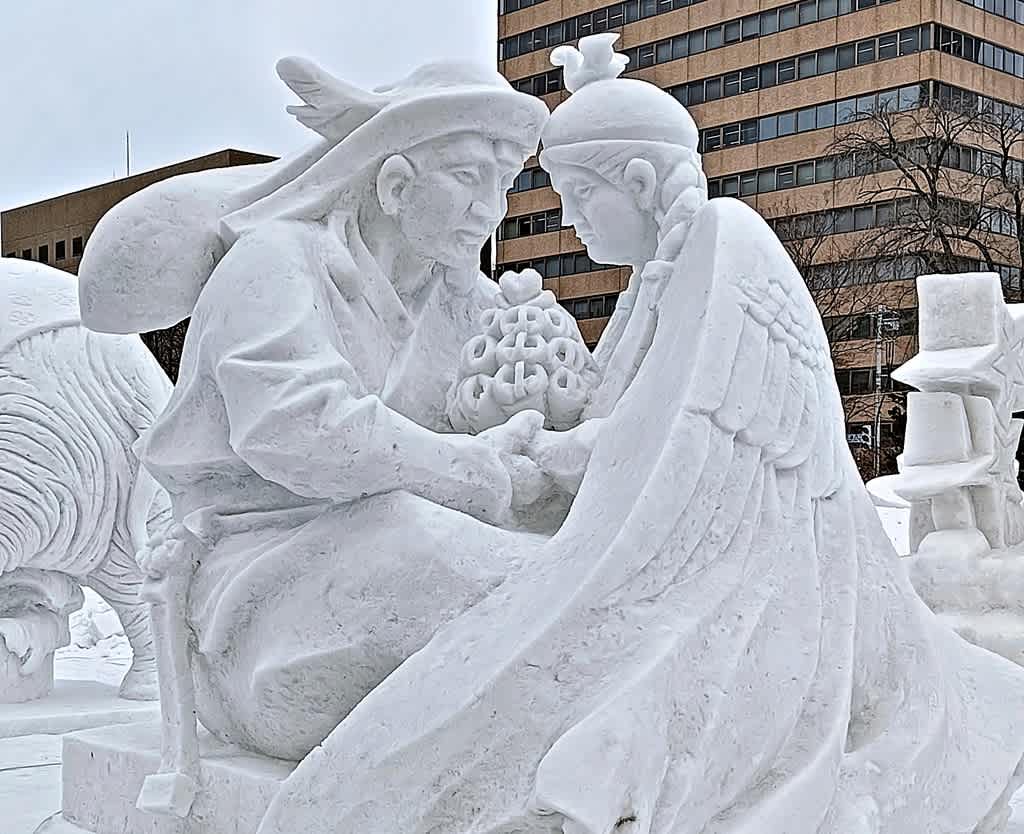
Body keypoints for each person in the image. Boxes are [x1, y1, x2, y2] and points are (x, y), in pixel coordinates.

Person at [256, 37, 1024, 834]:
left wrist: (553, 459)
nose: (569, 220)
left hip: (762, 555)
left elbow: (677, 447)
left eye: (578, 198)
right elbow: (635, 429)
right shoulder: (651, 287)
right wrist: (544, 447)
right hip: (682, 527)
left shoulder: (725, 247)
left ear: (636, 181)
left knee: (568, 652)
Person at [83, 56, 551, 761]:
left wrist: (539, 413)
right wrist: (476, 469)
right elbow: (298, 426)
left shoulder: (462, 299)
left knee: (554, 568)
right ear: (395, 183)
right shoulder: (276, 261)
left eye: (504, 184)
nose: (492, 209)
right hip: (253, 599)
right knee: (455, 560)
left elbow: (499, 426)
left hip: (386, 551)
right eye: (466, 178)